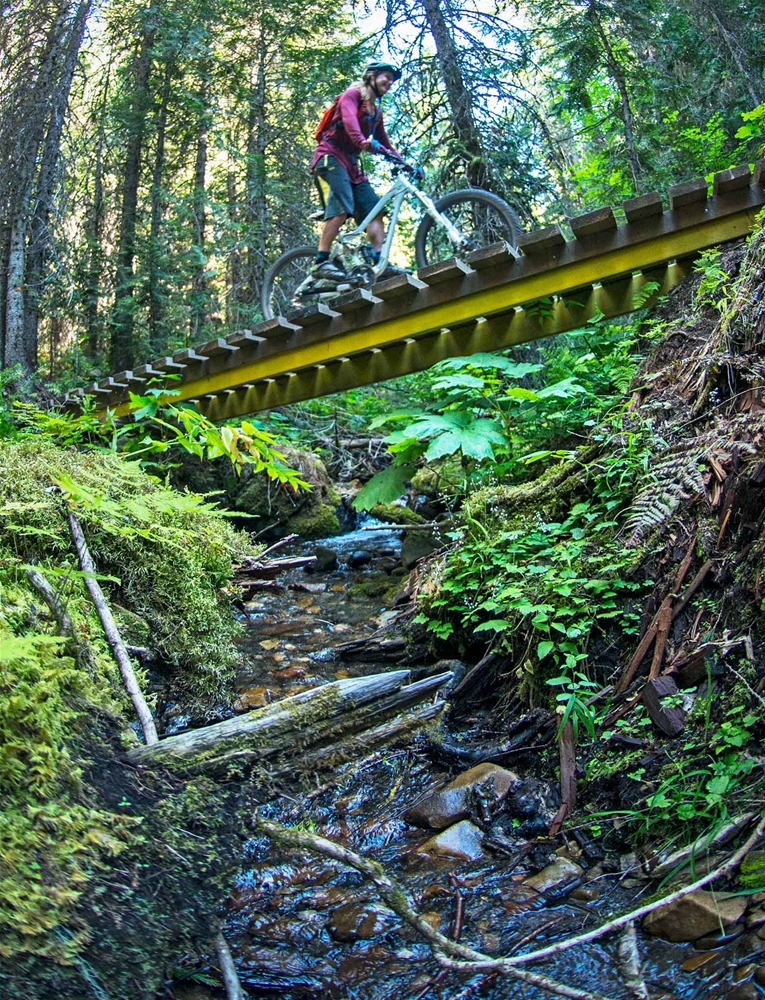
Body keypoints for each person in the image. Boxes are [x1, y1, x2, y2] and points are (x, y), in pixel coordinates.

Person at [309, 61, 408, 285]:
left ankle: (380, 262)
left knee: (375, 210)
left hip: (352, 167)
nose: (389, 83)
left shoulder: (375, 112)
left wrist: (405, 164)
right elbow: (350, 122)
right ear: (371, 76)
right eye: (386, 77)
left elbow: (385, 144)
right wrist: (362, 141)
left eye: (392, 80)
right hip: (330, 158)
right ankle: (321, 261)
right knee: (340, 209)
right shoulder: (351, 95)